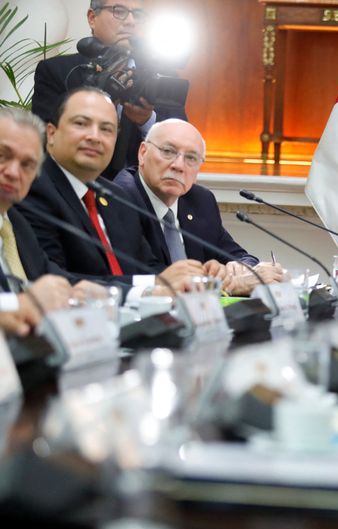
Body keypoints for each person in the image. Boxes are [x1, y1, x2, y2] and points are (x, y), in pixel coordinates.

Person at [18, 87, 205, 297]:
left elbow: (148, 268)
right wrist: (147, 289)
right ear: (51, 133)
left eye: (106, 129)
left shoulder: (116, 197)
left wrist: (196, 278)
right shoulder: (31, 187)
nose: (94, 137)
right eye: (81, 123)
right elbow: (55, 281)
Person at [114, 119, 285, 295]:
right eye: (167, 151)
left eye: (191, 158)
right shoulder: (121, 198)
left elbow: (238, 256)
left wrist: (242, 268)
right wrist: (232, 285)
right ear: (143, 153)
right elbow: (149, 276)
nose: (178, 165)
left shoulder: (200, 200)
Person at [31, 0, 187, 178]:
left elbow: (183, 141)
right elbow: (44, 139)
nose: (130, 21)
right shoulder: (58, 71)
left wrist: (146, 120)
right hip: (76, 185)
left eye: (137, 15)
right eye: (119, 11)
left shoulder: (162, 74)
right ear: (92, 18)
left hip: (140, 194)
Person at [0, 108, 106, 335]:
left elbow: (58, 280)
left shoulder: (16, 225)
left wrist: (85, 292)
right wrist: (19, 303)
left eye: (27, 165)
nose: (12, 172)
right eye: (2, 155)